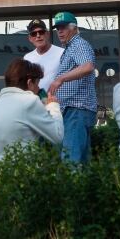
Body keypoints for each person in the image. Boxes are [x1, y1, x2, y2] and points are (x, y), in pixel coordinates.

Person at [0, 59, 63, 160]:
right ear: (30, 83)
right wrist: (53, 106)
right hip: (24, 172)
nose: (38, 88)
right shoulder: (30, 101)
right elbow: (57, 136)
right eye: (37, 84)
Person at [47, 11, 97, 164]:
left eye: (64, 27)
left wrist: (60, 79)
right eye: (58, 28)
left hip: (76, 109)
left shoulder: (78, 44)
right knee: (81, 161)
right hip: (76, 111)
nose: (60, 31)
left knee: (70, 161)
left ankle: (72, 188)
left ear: (74, 28)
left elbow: (88, 66)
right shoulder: (70, 47)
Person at [23, 19, 64, 94]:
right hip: (35, 102)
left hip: (57, 102)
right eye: (34, 34)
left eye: (41, 32)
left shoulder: (62, 53)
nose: (38, 36)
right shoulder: (27, 58)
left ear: (47, 34)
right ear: (30, 38)